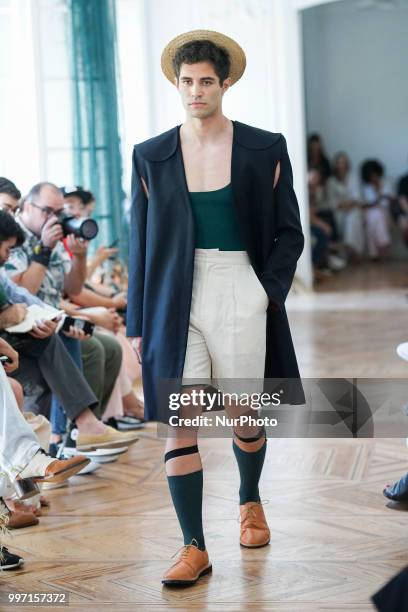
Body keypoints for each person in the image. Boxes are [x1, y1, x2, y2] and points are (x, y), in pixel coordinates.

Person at [126, 30, 304, 585]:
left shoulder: (263, 147)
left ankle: (249, 500)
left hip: (240, 284)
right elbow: (140, 240)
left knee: (242, 414)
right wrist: (138, 320)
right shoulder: (150, 154)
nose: (196, 91)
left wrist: (266, 290)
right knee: (182, 421)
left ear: (224, 84)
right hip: (173, 294)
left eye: (207, 81)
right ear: (176, 85)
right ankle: (193, 547)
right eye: (187, 82)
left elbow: (288, 232)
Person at [0, 209, 138, 450]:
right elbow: (27, 291)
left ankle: (55, 444)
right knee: (66, 345)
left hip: (30, 332)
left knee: (60, 343)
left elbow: (24, 295)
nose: (7, 256)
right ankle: (70, 434)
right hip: (16, 341)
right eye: (46, 210)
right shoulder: (32, 248)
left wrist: (57, 318)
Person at [327, 152, 364, 259]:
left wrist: (349, 205)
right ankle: (348, 249)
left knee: (353, 216)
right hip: (339, 210)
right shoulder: (331, 181)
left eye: (344, 162)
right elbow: (331, 202)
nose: (342, 165)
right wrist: (344, 206)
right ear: (336, 165)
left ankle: (352, 249)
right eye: (339, 163)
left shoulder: (353, 177)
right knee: (342, 217)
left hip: (353, 207)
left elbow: (357, 196)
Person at [360, 159, 393, 260]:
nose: (373, 176)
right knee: (374, 215)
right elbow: (364, 204)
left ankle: (373, 252)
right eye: (371, 175)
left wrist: (378, 197)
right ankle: (383, 243)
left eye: (375, 173)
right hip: (370, 213)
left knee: (376, 215)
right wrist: (378, 197)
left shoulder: (386, 183)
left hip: (385, 212)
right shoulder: (365, 187)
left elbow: (390, 200)